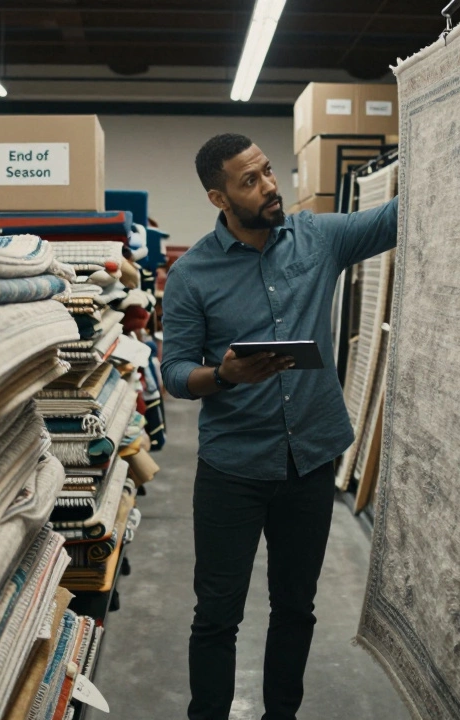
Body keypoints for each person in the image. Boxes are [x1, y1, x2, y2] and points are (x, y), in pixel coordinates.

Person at [161, 133, 396, 720]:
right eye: (250, 181)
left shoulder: (316, 239)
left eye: (268, 171)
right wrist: (226, 374)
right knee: (217, 614)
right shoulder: (193, 273)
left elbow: (397, 218)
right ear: (220, 198)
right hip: (232, 469)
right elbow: (174, 371)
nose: (269, 187)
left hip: (309, 461)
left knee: (296, 608)